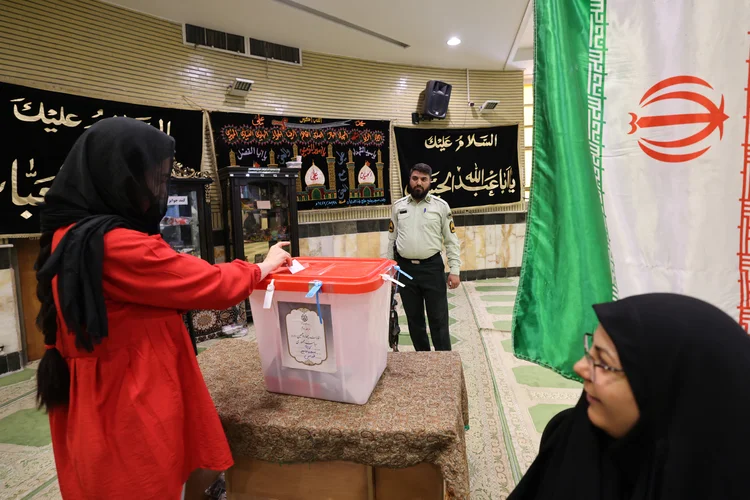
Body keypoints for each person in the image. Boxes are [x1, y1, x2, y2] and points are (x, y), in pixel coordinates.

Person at [34, 117, 292, 500]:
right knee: (140, 479)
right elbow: (206, 283)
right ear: (118, 178)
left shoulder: (69, 232)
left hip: (100, 382)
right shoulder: (115, 244)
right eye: (152, 179)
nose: (158, 189)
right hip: (129, 394)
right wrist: (262, 266)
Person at [508, 293, 750, 500]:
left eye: (604, 362)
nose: (581, 367)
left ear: (664, 393)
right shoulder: (567, 436)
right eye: (591, 350)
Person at [387, 163, 461, 351]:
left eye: (423, 179)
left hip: (432, 268)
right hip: (406, 271)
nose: (418, 183)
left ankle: (444, 361)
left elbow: (451, 241)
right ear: (409, 180)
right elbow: (391, 240)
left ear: (430, 182)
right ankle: (423, 359)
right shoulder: (398, 207)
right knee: (414, 319)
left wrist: (455, 270)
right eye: (415, 178)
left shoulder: (441, 207)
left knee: (438, 318)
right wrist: (389, 273)